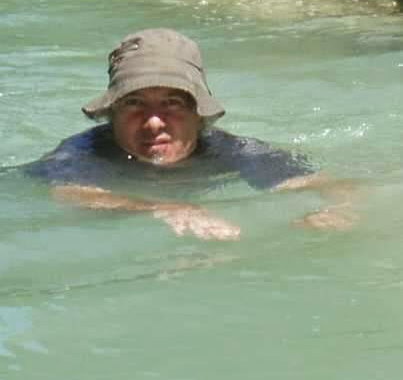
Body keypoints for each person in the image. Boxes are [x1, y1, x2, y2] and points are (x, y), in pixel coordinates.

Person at [24, 28, 357, 240]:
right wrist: (163, 208)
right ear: (111, 115)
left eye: (172, 103)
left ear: (199, 115)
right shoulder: (84, 151)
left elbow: (331, 185)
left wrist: (338, 209)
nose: (154, 122)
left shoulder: (229, 150)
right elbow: (70, 194)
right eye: (134, 103)